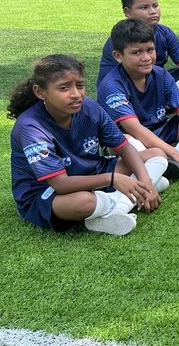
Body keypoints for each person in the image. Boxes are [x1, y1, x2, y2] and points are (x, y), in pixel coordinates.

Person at [9, 54, 167, 236]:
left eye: (80, 85)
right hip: (47, 192)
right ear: (40, 92)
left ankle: (119, 206)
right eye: (64, 88)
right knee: (84, 202)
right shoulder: (30, 127)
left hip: (90, 173)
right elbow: (60, 184)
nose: (76, 94)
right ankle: (123, 200)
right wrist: (112, 179)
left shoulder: (90, 108)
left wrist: (146, 182)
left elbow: (124, 147)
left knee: (156, 155)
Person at [98, 19, 179, 178]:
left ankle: (176, 158)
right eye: (136, 52)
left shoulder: (160, 74)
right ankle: (174, 156)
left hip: (161, 129)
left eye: (150, 50)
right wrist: (177, 154)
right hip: (131, 137)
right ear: (118, 56)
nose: (146, 57)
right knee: (133, 144)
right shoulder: (111, 84)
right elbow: (134, 129)